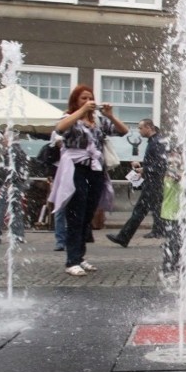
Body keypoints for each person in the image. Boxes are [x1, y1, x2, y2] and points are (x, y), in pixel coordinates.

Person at [49, 84, 128, 276]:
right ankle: (71, 260)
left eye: (90, 98)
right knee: (76, 212)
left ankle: (80, 257)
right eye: (83, 98)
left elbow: (123, 131)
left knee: (88, 212)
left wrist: (110, 115)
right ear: (76, 100)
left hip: (95, 168)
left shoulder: (98, 121)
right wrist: (81, 111)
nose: (88, 101)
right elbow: (60, 129)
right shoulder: (69, 118)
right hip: (75, 168)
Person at [106, 119, 166, 247]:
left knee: (140, 212)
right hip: (153, 183)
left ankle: (124, 237)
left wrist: (145, 169)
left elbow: (161, 165)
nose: (139, 131)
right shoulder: (154, 142)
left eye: (140, 128)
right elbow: (156, 164)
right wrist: (143, 169)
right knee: (154, 211)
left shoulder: (156, 142)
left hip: (153, 184)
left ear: (149, 127)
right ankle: (165, 235)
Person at [0, 132, 28, 244]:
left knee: (1, 208)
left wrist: (9, 181)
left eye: (4, 138)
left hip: (11, 183)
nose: (3, 140)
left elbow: (12, 169)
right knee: (15, 209)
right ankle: (18, 235)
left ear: (10, 138)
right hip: (17, 183)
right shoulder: (19, 150)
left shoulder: (12, 151)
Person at [159, 147, 183, 284]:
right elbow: (176, 179)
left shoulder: (179, 172)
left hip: (179, 213)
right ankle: (168, 270)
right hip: (170, 213)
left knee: (178, 243)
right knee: (173, 243)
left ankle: (175, 269)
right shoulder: (170, 174)